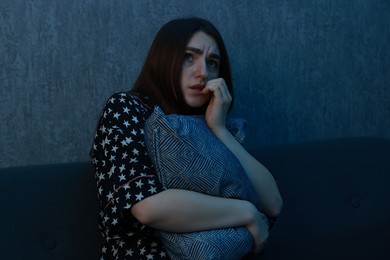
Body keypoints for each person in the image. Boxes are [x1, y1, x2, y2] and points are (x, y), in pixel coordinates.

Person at [90, 17, 283, 259]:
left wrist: (219, 129)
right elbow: (147, 207)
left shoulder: (213, 121)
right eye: (188, 57)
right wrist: (247, 212)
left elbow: (272, 203)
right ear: (164, 58)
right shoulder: (126, 108)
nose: (203, 73)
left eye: (212, 63)